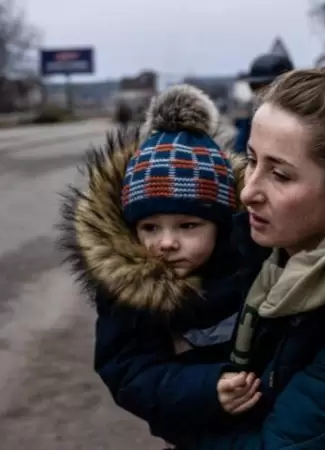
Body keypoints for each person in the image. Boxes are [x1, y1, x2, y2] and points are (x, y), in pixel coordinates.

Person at [75, 63, 325, 449]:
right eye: (253, 160)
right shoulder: (275, 253)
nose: (247, 192)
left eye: (281, 175)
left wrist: (181, 414)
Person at [58, 84, 269, 444]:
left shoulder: (256, 262)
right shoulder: (131, 291)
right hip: (195, 428)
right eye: (149, 227)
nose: (166, 243)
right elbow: (129, 372)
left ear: (222, 225)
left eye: (188, 226)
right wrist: (206, 390)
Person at [233, 52, 294, 154]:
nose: (260, 94)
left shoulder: (301, 123)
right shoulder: (248, 121)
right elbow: (239, 152)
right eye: (255, 87)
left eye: (266, 87)